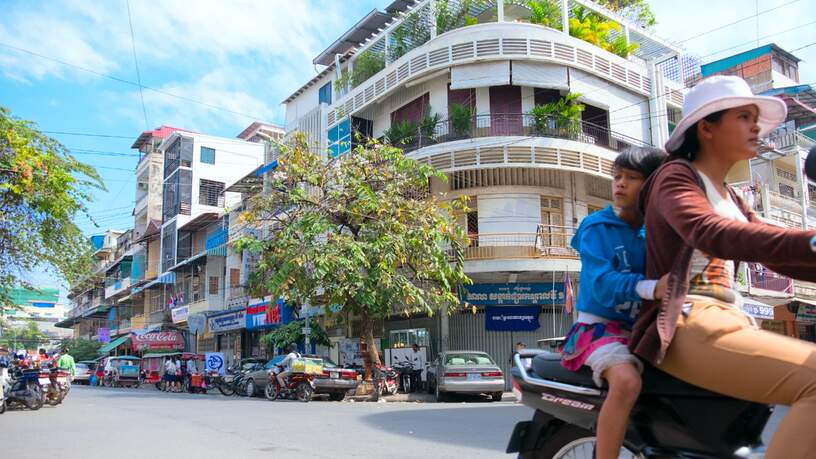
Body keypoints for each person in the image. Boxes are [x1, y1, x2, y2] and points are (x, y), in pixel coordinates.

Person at [630, 75, 816, 459]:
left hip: (731, 317)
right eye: (744, 116)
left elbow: (775, 252)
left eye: (756, 118)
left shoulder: (731, 195)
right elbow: (707, 230)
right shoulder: (675, 176)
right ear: (707, 127)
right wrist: (810, 239)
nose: (755, 127)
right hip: (688, 321)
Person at [560, 147, 668, 459]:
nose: (620, 184)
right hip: (599, 329)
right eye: (617, 177)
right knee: (626, 381)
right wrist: (650, 288)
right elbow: (601, 283)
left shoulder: (656, 230)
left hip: (644, 330)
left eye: (631, 178)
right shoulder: (597, 226)